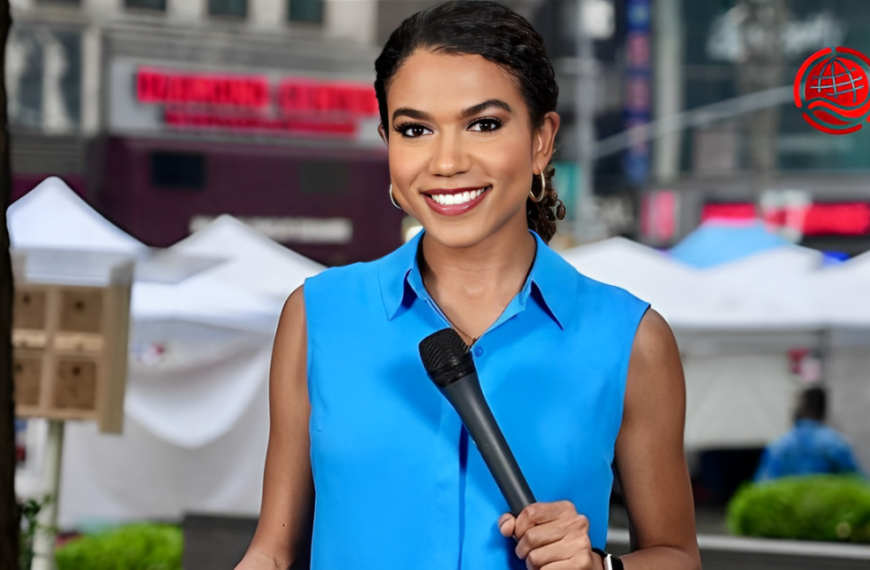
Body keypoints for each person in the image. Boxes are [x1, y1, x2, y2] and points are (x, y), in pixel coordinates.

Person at [236, 3, 700, 569]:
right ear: (388, 143)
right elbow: (273, 553)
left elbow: (678, 556)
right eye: (414, 130)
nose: (447, 161)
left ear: (541, 140)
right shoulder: (317, 316)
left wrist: (601, 567)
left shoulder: (630, 339)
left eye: (483, 124)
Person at [755, 387, 864, 482]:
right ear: (823, 411)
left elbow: (762, 488)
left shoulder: (778, 447)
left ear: (798, 410)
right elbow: (858, 485)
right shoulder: (837, 444)